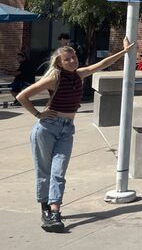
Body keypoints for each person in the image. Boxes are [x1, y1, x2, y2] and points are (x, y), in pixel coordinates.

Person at [16, 37, 135, 233]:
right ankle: (48, 211)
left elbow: (101, 64)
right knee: (45, 172)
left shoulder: (79, 75)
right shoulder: (55, 77)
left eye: (74, 57)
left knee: (58, 171)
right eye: (68, 59)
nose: (73, 61)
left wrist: (124, 52)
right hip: (46, 128)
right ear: (59, 63)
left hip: (66, 129)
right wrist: (38, 114)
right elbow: (22, 96)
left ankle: (55, 211)